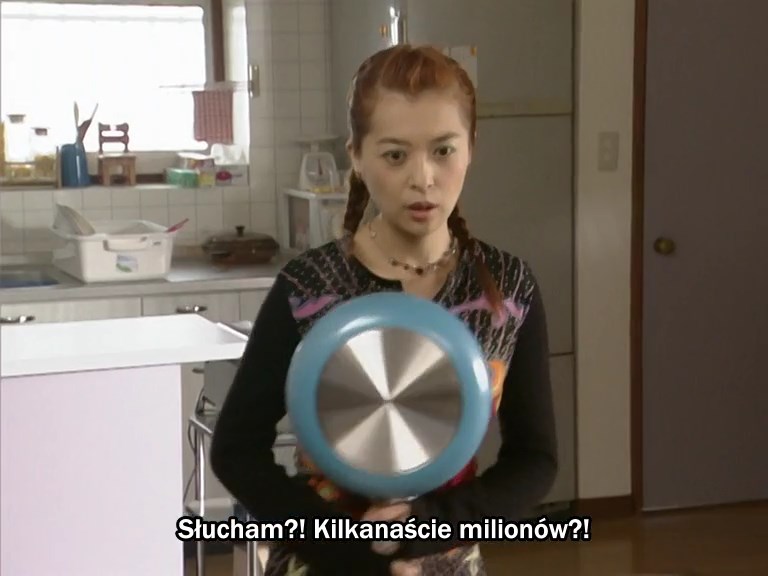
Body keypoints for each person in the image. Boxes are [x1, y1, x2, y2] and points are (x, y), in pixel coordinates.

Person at [210, 44, 558, 576]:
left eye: (443, 150)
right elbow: (236, 450)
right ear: (356, 155)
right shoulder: (308, 287)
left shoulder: (507, 289)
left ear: (471, 148)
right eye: (396, 155)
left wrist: (433, 525)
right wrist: (346, 548)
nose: (423, 178)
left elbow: (535, 460)